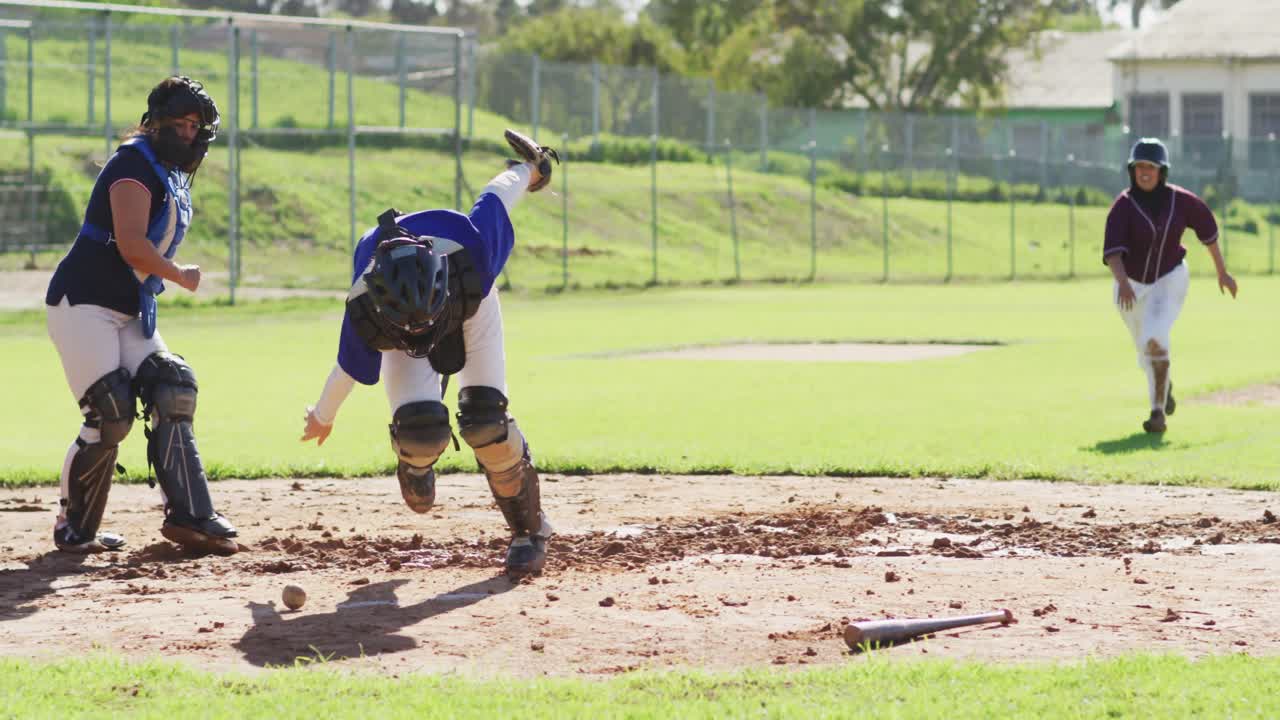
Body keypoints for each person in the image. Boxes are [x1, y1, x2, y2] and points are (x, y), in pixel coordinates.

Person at [300, 129, 559, 578]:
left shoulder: (473, 255)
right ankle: (413, 462)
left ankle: (529, 531)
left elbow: (496, 196)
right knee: (421, 432)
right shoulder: (366, 305)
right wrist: (322, 416)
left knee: (486, 423)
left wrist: (531, 168)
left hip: (468, 309)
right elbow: (347, 368)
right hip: (406, 321)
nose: (422, 333)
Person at [44, 76, 240, 555]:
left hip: (127, 309)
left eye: (195, 125)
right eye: (179, 122)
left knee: (172, 387)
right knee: (109, 415)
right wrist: (179, 274)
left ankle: (192, 517)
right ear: (154, 122)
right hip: (83, 304)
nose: (188, 132)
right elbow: (132, 246)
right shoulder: (133, 163)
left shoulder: (166, 172)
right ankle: (76, 529)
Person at [1102, 137, 1238, 434]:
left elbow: (1209, 233)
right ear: (1132, 170)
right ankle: (1165, 384)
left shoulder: (1181, 200)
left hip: (1169, 279)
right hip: (1129, 286)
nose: (1144, 172)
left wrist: (1222, 272)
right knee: (1145, 351)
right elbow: (1113, 252)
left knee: (1155, 338)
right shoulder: (1123, 205)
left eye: (1150, 166)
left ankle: (1157, 414)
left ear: (1162, 171)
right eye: (1139, 166)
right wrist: (1123, 283)